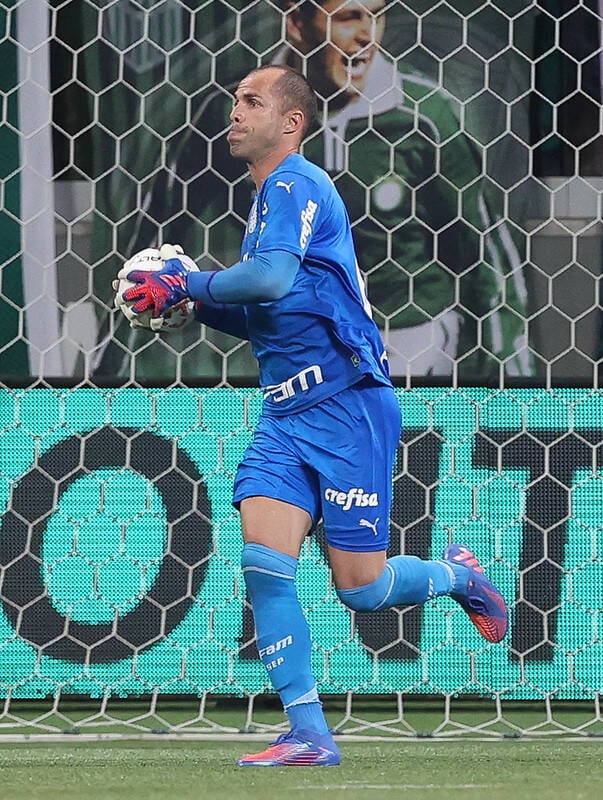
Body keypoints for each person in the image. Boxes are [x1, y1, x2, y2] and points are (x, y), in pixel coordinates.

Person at [117, 65, 509, 767]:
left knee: (362, 591)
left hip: (347, 404)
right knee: (264, 568)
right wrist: (193, 306)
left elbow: (266, 281)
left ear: (291, 122)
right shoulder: (265, 205)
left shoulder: (297, 183)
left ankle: (457, 575)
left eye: (250, 102)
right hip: (284, 413)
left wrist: (185, 281)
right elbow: (270, 313)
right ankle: (306, 733)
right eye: (234, 100)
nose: (233, 112)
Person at [95, 0, 531, 381]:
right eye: (347, 17)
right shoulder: (235, 119)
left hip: (408, 345)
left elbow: (484, 257)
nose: (365, 35)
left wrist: (508, 382)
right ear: (297, 23)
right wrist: (106, 367)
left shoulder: (425, 117)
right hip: (296, 343)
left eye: (376, 17)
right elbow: (155, 232)